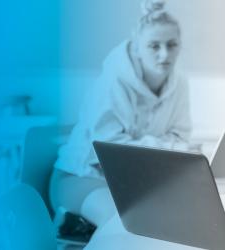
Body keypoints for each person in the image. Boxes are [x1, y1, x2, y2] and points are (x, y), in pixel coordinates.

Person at [49, 0, 192, 228]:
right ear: (136, 47)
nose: (164, 55)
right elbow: (110, 153)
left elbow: (181, 138)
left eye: (172, 45)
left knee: (181, 220)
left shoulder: (180, 84)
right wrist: (167, 147)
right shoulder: (112, 83)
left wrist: (163, 149)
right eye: (154, 46)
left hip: (133, 181)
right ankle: (77, 223)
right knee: (123, 224)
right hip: (81, 177)